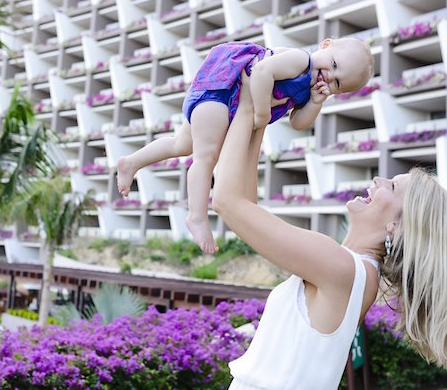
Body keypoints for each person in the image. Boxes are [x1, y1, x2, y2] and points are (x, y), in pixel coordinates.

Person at [211, 70, 447, 389]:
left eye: (391, 185)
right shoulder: (355, 272)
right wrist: (259, 119)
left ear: (397, 227)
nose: (377, 180)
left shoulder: (342, 268)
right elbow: (244, 203)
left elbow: (226, 201)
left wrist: (251, 104)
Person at [117, 38, 374, 253]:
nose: (329, 76)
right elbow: (262, 73)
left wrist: (316, 102)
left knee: (181, 144)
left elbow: (297, 122)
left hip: (225, 102)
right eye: (334, 64)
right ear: (326, 44)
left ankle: (132, 162)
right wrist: (261, 115)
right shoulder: (300, 60)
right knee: (206, 157)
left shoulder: (308, 90)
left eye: (337, 82)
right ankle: (196, 215)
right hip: (221, 89)